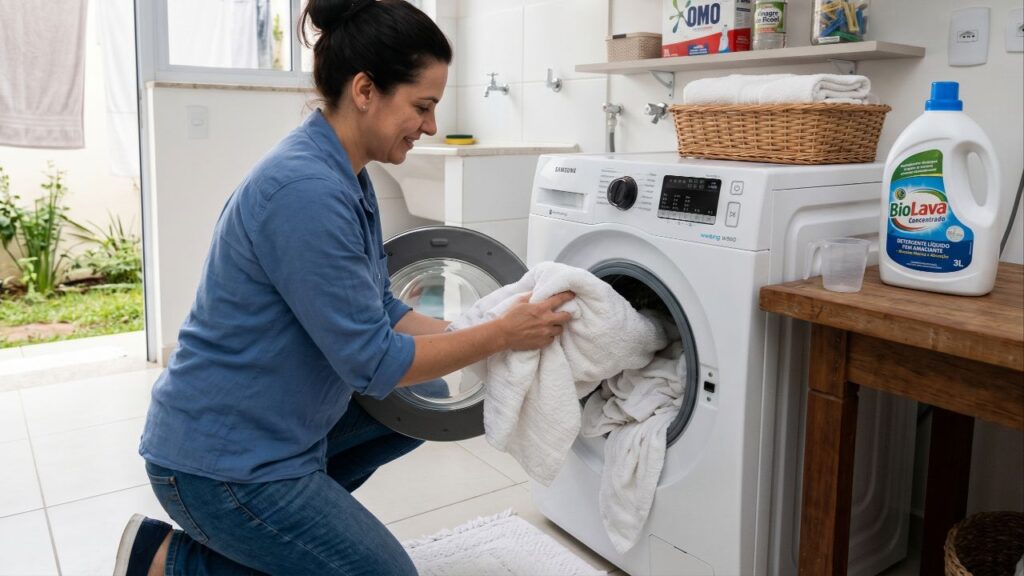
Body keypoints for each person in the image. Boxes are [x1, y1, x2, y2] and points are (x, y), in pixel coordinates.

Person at [112, 1, 573, 574]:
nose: (430, 126)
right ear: (364, 90)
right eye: (423, 106)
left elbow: (380, 307)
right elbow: (374, 363)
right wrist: (499, 334)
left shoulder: (344, 173)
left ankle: (281, 535)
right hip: (222, 461)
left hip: (275, 428)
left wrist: (477, 330)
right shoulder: (305, 190)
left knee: (415, 413)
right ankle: (168, 560)